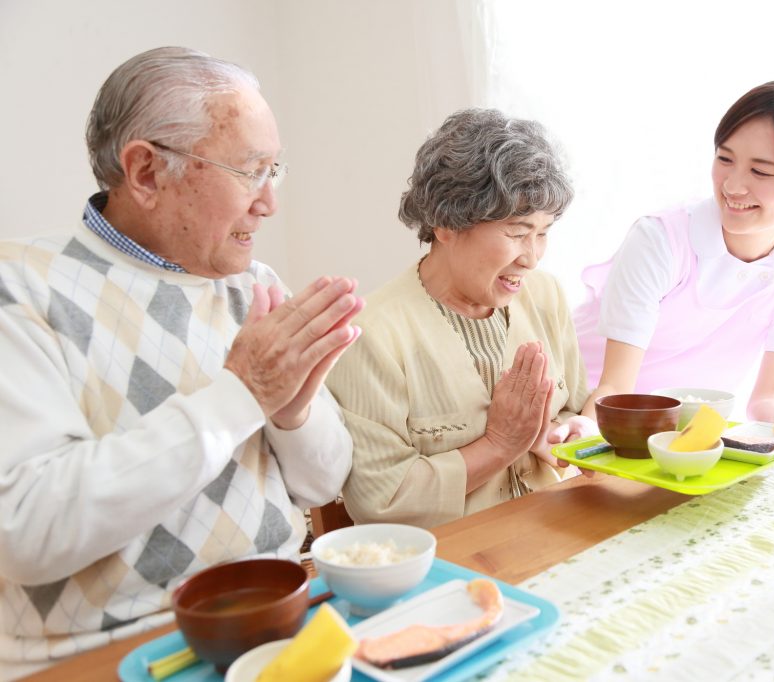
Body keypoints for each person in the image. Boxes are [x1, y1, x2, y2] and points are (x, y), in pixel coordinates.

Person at [0, 47, 363, 676]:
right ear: (145, 171)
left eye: (275, 168)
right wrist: (240, 394)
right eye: (251, 170)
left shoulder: (253, 285)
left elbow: (322, 484)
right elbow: (26, 533)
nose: (269, 202)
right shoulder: (23, 286)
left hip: (278, 622)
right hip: (107, 653)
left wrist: (293, 411)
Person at [326, 108, 595, 528]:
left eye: (543, 233)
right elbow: (381, 499)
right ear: (445, 225)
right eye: (517, 232)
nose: (531, 257)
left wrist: (571, 432)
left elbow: (573, 410)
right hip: (450, 564)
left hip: (555, 529)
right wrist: (499, 445)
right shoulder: (373, 336)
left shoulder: (545, 295)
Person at [574, 78, 774, 427]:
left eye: (760, 171)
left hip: (675, 435)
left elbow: (766, 399)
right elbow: (613, 389)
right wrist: (584, 435)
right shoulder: (661, 240)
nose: (732, 186)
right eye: (724, 159)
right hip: (580, 411)